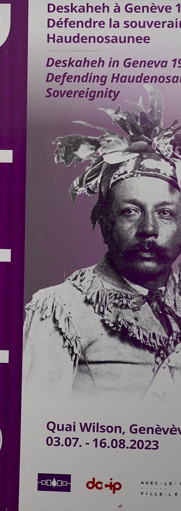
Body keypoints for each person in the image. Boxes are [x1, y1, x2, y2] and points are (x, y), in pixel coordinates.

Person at [25, 86, 181, 401]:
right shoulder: (60, 309)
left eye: (165, 213)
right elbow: (40, 421)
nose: (148, 229)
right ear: (105, 224)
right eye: (130, 212)